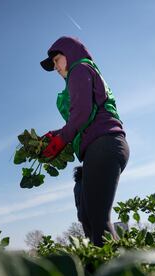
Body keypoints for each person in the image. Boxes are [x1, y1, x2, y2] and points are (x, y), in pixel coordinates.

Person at [40, 36, 130, 247]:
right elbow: (81, 118)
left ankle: (115, 274)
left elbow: (81, 114)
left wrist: (61, 139)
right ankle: (103, 266)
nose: (55, 68)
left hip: (104, 144)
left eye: (57, 60)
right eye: (53, 64)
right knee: (88, 218)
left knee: (99, 220)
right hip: (100, 147)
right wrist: (54, 135)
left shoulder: (79, 69)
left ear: (69, 53)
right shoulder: (81, 74)